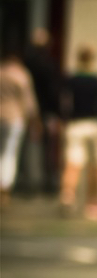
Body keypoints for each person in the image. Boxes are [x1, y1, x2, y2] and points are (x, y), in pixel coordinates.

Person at [62, 44, 97, 219]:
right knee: (95, 166)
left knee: (73, 163)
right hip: (93, 125)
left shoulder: (71, 79)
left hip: (75, 124)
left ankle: (68, 196)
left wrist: (65, 121)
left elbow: (65, 104)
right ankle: (93, 202)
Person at [24, 28, 63, 196]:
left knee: (27, 147)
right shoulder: (49, 64)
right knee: (47, 148)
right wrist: (57, 113)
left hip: (28, 112)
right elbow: (54, 91)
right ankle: (48, 183)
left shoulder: (26, 64)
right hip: (45, 112)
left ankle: (28, 182)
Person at [0, 51, 40, 208]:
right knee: (9, 155)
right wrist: (34, 120)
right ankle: (4, 189)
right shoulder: (21, 75)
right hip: (14, 119)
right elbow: (28, 101)